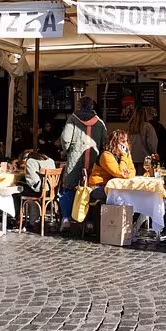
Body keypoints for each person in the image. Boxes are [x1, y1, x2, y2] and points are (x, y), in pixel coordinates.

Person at [59, 96, 107, 232]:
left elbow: (65, 139)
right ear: (92, 107)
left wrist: (67, 150)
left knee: (68, 188)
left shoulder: (73, 120)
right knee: (91, 190)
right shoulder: (100, 123)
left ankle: (67, 218)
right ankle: (90, 221)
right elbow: (105, 142)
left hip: (75, 161)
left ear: (79, 105)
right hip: (94, 161)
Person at [88, 130, 136, 202]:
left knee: (133, 193)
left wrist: (128, 174)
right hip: (98, 187)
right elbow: (120, 173)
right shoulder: (106, 155)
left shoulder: (126, 155)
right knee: (121, 194)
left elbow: (133, 170)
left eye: (127, 141)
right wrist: (124, 156)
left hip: (114, 186)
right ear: (114, 143)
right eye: (123, 142)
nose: (126, 144)